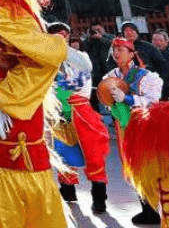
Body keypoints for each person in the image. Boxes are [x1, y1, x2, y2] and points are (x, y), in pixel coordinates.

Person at [47, 23, 110, 215]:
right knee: (63, 153)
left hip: (81, 111)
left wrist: (58, 88)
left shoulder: (80, 57)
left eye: (63, 35)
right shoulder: (45, 60)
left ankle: (99, 197)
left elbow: (84, 75)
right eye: (55, 36)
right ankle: (67, 191)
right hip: (58, 112)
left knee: (93, 152)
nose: (60, 38)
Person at [102, 36, 164, 226]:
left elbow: (153, 101)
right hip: (122, 126)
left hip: (142, 125)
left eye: (121, 49)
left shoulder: (145, 76)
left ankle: (154, 208)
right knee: (130, 164)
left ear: (131, 54)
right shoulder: (110, 76)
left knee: (145, 163)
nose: (116, 53)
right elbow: (105, 98)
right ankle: (145, 206)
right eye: (114, 50)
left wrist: (128, 99)